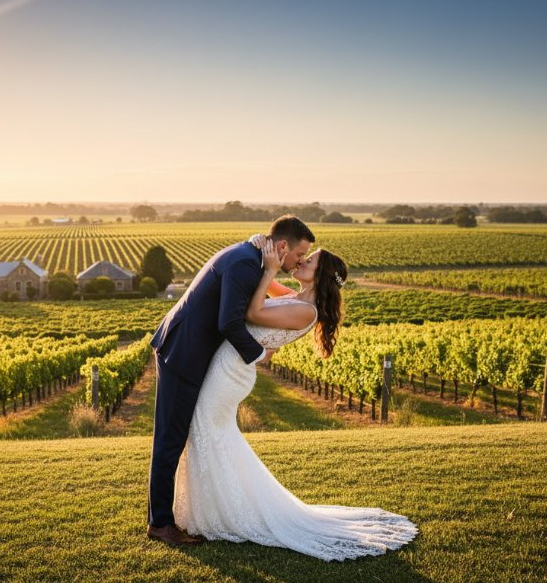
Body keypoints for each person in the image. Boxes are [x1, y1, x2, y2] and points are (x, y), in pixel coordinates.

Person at [171, 236, 419, 561]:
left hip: (231, 372)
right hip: (230, 365)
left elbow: (253, 312)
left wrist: (269, 269)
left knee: (207, 429)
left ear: (320, 275)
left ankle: (222, 511)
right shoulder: (296, 298)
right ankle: (217, 506)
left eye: (310, 260)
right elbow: (266, 282)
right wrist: (260, 246)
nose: (302, 261)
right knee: (210, 432)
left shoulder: (306, 312)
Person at [147, 216, 315, 545]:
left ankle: (167, 517)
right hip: (183, 351)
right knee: (170, 438)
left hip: (192, 350)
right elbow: (229, 322)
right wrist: (259, 354)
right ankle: (160, 523)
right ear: (282, 246)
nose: (299, 261)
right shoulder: (245, 264)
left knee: (176, 435)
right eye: (299, 254)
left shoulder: (252, 258)